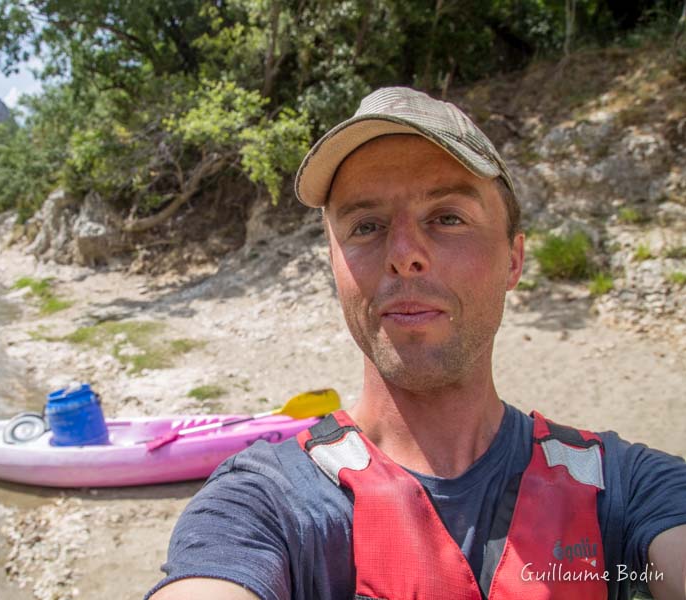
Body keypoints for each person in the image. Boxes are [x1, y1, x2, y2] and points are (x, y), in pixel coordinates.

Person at [146, 87, 686, 600]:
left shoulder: (626, 487)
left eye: (447, 217)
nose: (404, 253)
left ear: (514, 260)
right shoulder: (265, 505)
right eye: (365, 226)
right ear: (334, 266)